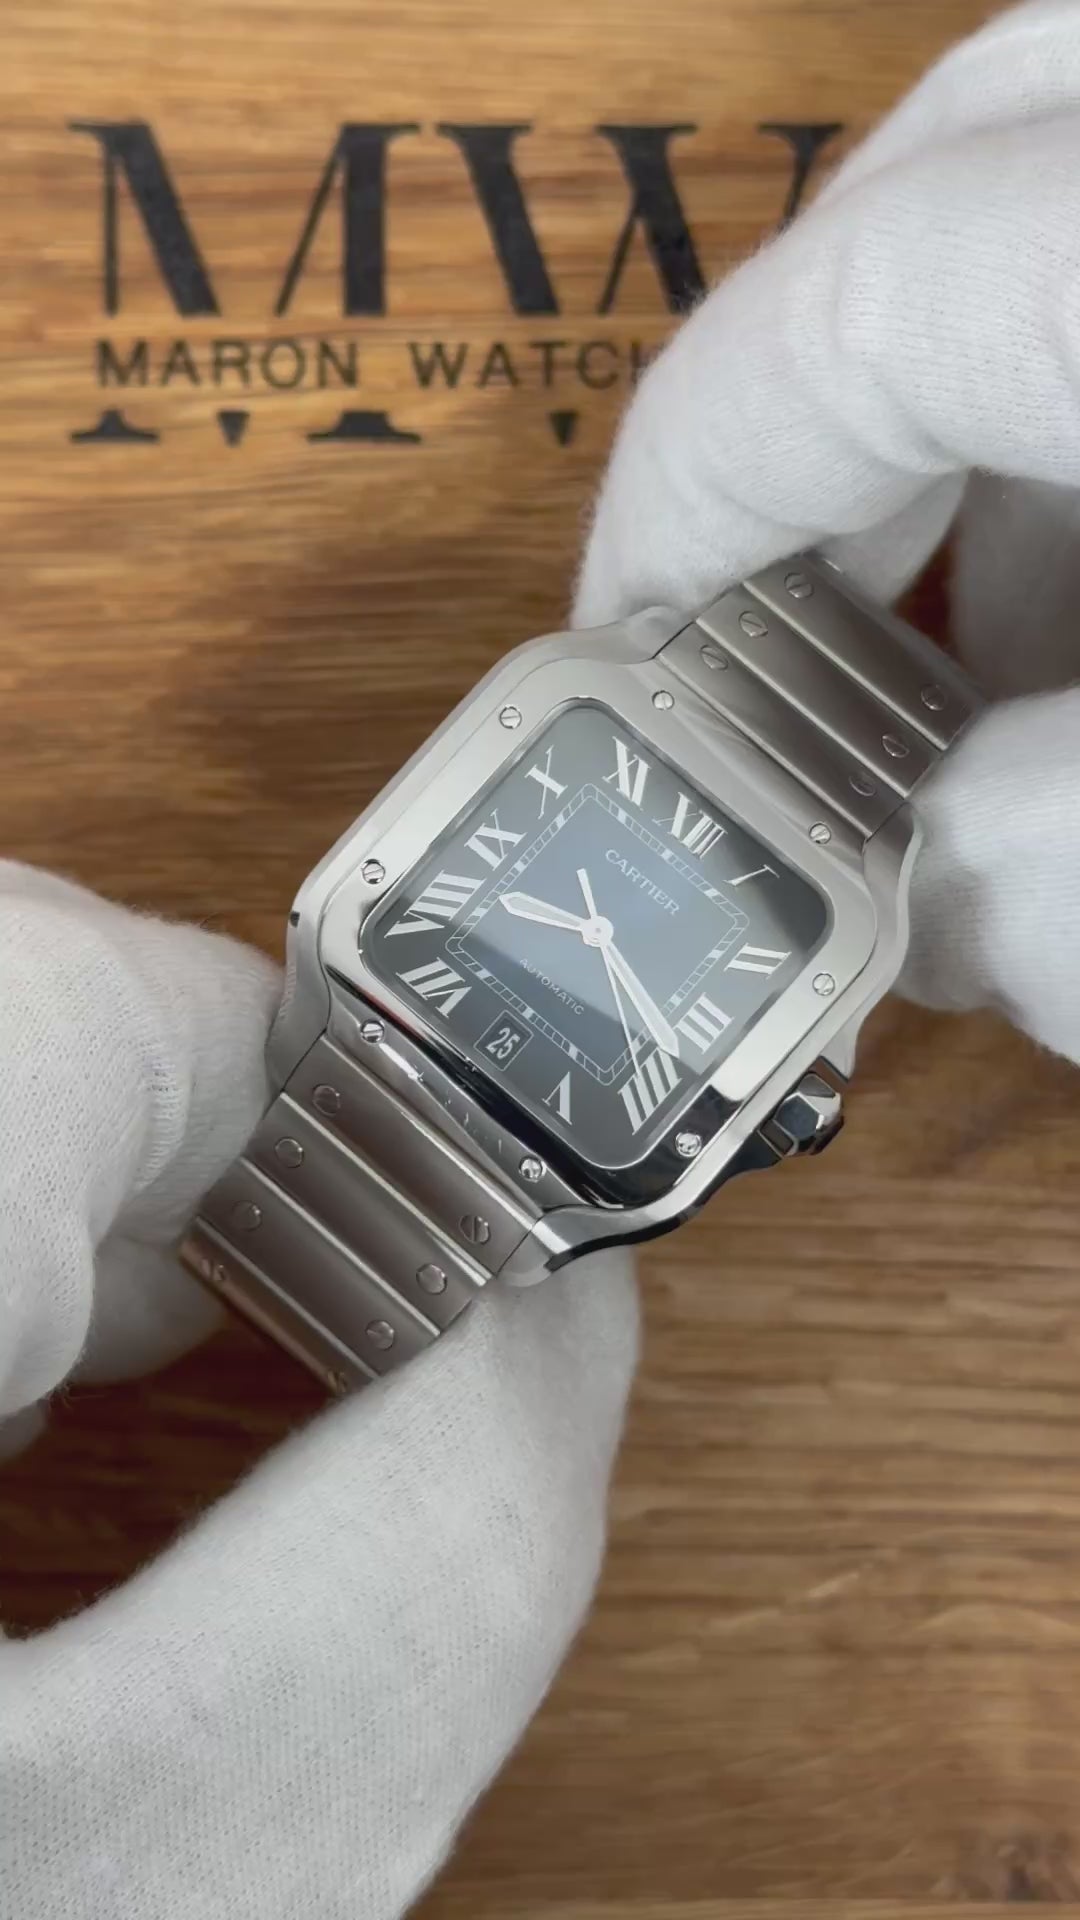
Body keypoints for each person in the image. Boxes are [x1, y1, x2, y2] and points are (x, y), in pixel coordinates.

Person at [4, 2, 1080, 1911]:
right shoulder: (478, 865)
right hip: (381, 1047)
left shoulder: (793, 933)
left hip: (487, 1114)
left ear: (771, 1102)